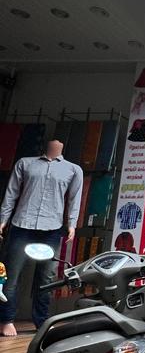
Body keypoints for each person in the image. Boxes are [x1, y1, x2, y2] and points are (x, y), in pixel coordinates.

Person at [0, 139, 83, 336]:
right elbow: (11, 193)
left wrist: (72, 224)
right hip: (22, 225)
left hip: (52, 229)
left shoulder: (73, 170)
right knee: (11, 275)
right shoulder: (25, 164)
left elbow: (74, 199)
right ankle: (6, 319)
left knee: (46, 277)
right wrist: (3, 219)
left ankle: (41, 321)